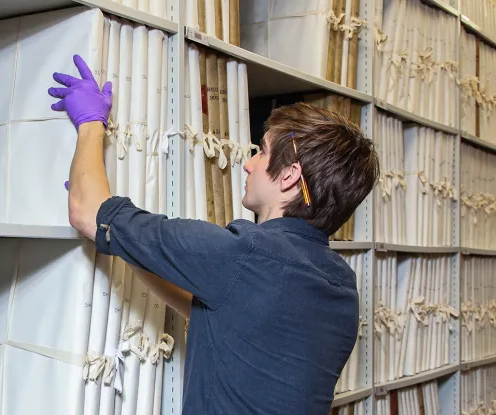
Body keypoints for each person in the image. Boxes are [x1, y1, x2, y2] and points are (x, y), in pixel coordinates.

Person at [48, 55, 380, 414]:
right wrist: (132, 248)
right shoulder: (341, 285)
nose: (248, 162)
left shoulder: (243, 255)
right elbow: (217, 313)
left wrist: (91, 123)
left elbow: (84, 211)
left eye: (262, 152)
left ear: (288, 177)